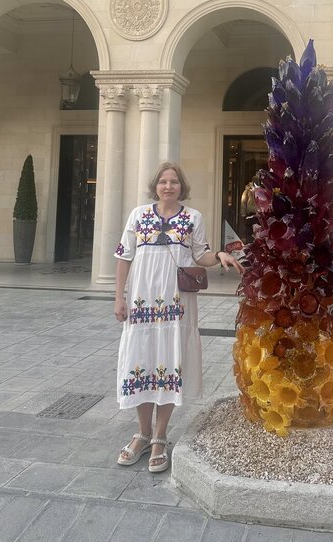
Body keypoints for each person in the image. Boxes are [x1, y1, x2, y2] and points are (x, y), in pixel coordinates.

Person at [114, 161, 244, 473]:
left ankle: (160, 436)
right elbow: (123, 257)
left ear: (181, 187)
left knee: (170, 360)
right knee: (141, 360)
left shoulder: (192, 217)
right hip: (142, 302)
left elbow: (201, 255)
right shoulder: (138, 215)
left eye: (174, 181)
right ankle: (142, 434)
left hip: (177, 305)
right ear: (155, 186)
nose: (168, 186)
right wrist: (119, 296)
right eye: (163, 181)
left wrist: (220, 255)